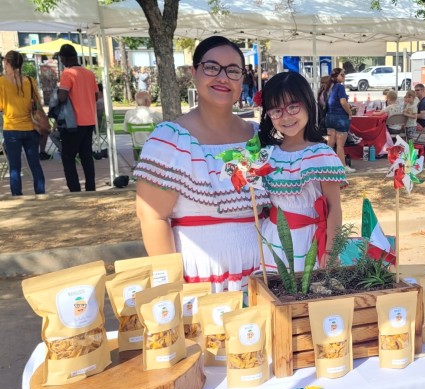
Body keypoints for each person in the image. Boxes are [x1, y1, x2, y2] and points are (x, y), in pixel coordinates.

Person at [133, 36, 270, 294]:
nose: (222, 77)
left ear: (242, 78)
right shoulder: (170, 139)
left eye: (233, 70)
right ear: (194, 72)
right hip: (200, 274)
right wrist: (173, 289)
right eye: (211, 67)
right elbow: (151, 216)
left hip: (260, 270)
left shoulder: (256, 136)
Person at [258, 71, 347, 272]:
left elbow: (334, 208)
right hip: (271, 237)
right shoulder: (267, 154)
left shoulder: (321, 153)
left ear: (308, 103)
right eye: (276, 111)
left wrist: (331, 252)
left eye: (293, 107)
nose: (286, 117)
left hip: (308, 240)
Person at [0, 50, 45, 196]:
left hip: (11, 128)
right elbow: (37, 103)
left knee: (14, 167)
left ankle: (17, 197)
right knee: (35, 165)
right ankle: (41, 194)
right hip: (31, 127)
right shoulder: (30, 81)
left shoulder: (1, 82)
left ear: (7, 62)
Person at [57, 43, 99, 192]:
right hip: (89, 121)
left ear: (64, 58)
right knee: (86, 157)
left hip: (73, 123)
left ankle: (74, 189)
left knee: (68, 157)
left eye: (61, 58)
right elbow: (95, 96)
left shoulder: (68, 73)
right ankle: (90, 188)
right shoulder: (89, 73)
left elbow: (62, 97)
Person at [324, 67, 356, 173]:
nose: (344, 76)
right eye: (342, 75)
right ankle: (342, 166)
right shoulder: (340, 87)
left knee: (330, 144)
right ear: (336, 76)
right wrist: (350, 112)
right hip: (341, 117)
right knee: (340, 145)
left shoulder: (328, 87)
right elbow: (343, 101)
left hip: (329, 117)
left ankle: (327, 166)